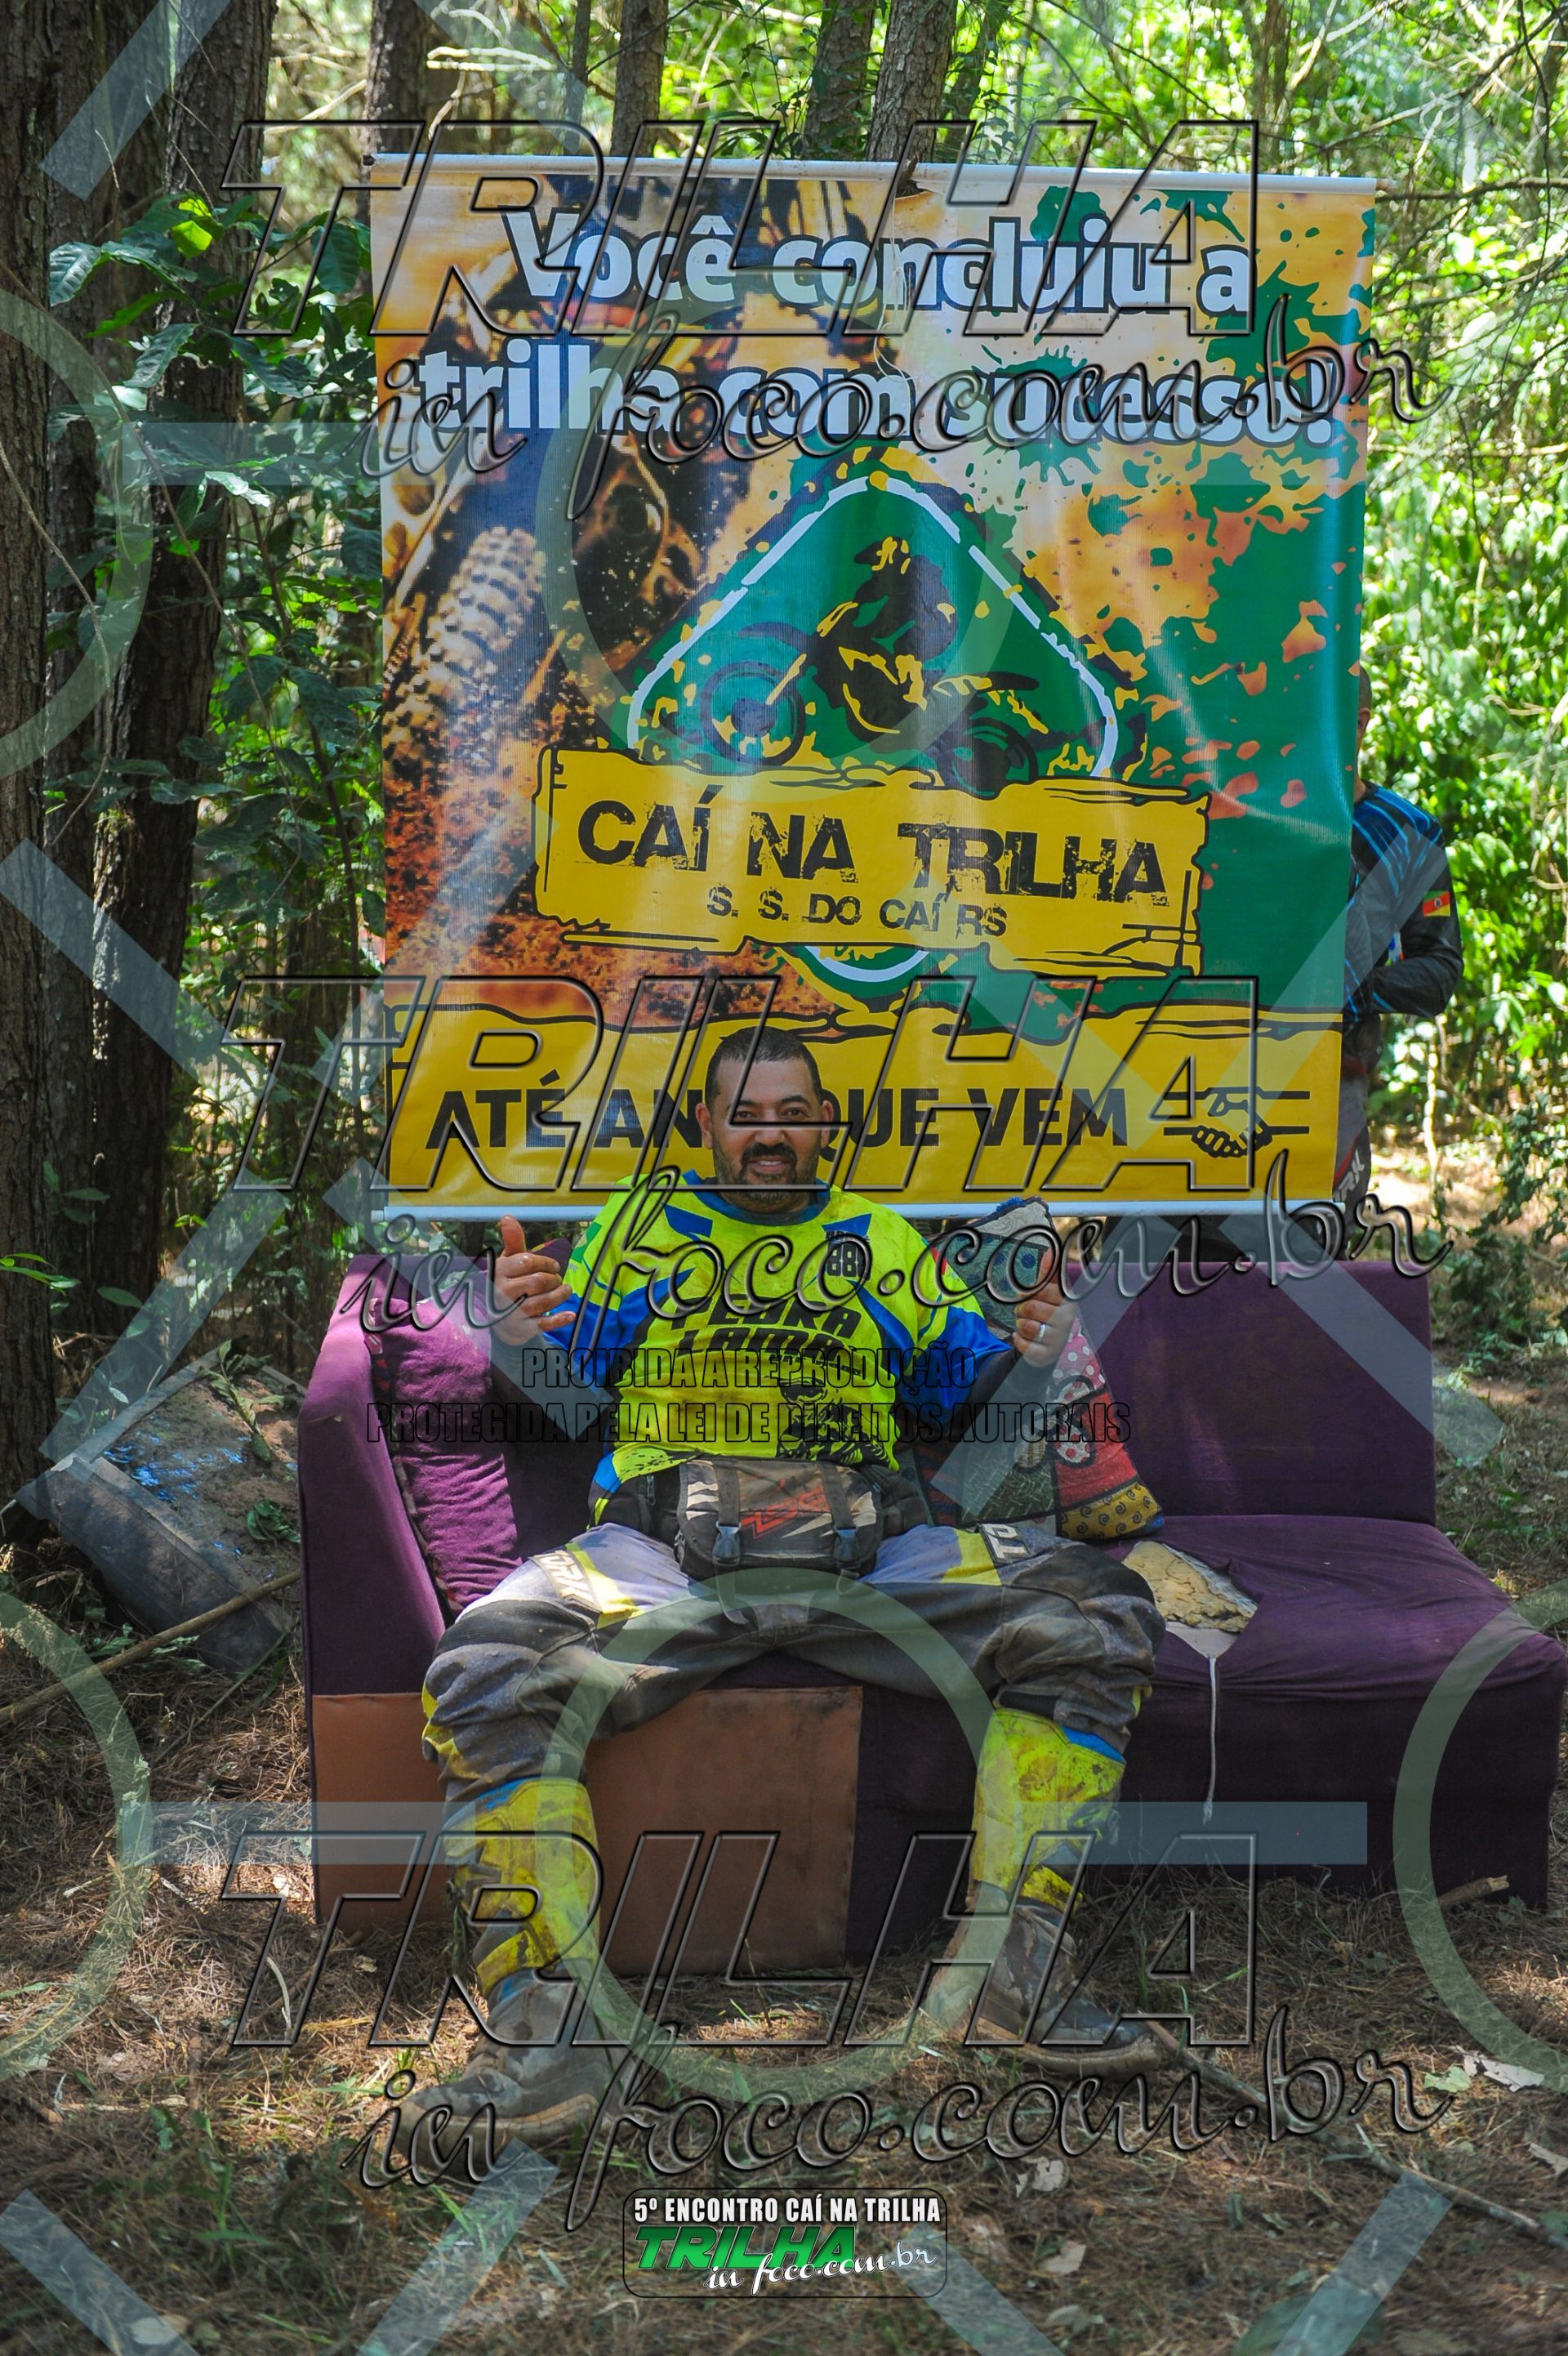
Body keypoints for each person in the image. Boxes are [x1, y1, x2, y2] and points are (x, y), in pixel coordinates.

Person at [397, 1025, 1170, 2153]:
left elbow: (968, 1403)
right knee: (483, 1666)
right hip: (663, 1554)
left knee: (1098, 1613)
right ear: (707, 1127)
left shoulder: (885, 1243)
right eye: (746, 1114)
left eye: (793, 1113)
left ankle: (1016, 1982)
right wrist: (514, 1339)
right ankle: (549, 2040)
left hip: (874, 1550)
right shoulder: (638, 1233)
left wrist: (1037, 1354)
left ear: (824, 1126)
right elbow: (558, 1404)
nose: (770, 1135)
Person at [1337, 669, 1463, 1219]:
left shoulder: (1407, 833)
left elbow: (1439, 970)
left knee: (1312, 1251)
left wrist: (1356, 989)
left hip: (1336, 1076)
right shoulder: (1239, 815)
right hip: (1218, 1071)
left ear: (1360, 723)